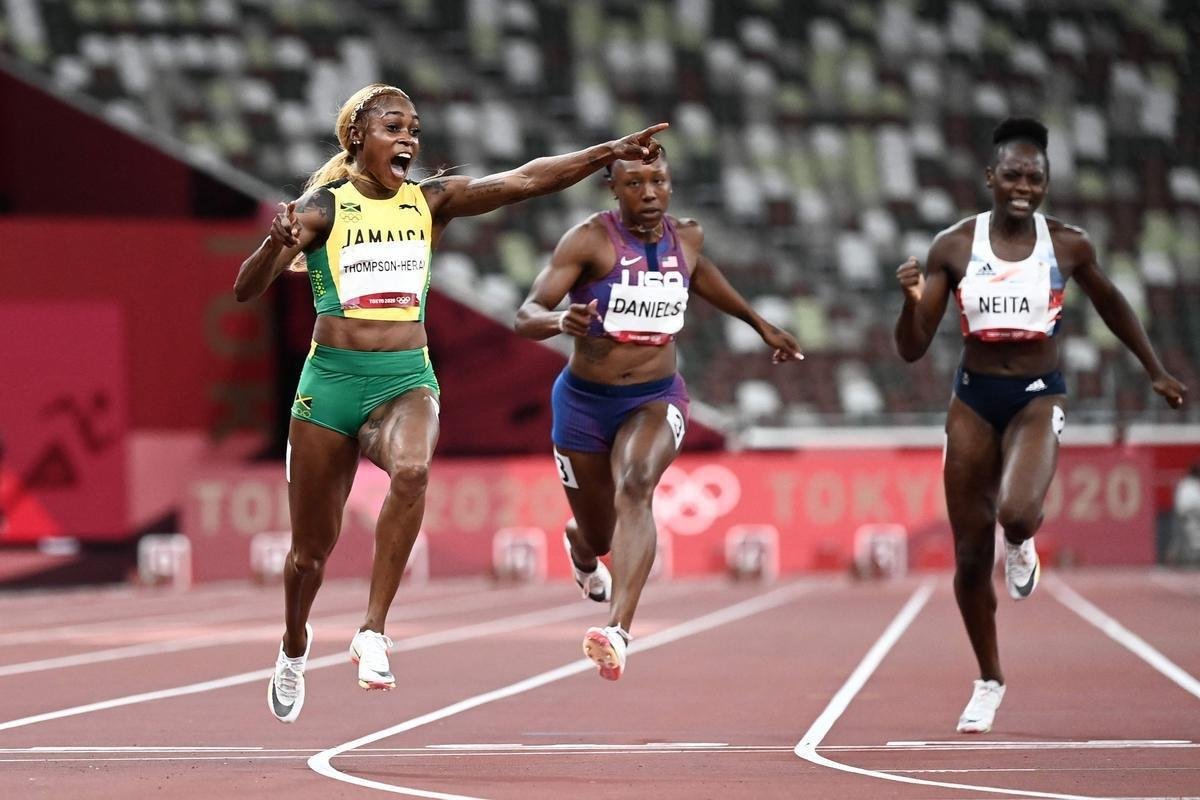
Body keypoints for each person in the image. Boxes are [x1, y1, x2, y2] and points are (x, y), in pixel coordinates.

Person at [234, 83, 668, 723]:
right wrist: (276, 242)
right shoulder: (323, 208)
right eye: (392, 126)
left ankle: (373, 632)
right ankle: (294, 645)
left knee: (412, 470)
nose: (408, 137)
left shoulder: (430, 202)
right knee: (308, 555)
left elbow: (523, 180)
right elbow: (247, 289)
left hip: (405, 378)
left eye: (413, 127)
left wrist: (607, 153)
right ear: (357, 137)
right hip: (329, 384)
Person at [893, 117, 1187, 734]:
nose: (1023, 185)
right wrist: (911, 300)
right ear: (990, 178)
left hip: (1036, 397)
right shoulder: (954, 246)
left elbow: (1111, 301)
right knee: (971, 559)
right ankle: (989, 679)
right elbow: (914, 349)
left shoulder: (1068, 245)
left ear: (1046, 181)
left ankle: (1022, 543)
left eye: (1035, 176)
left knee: (1017, 513)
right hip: (973, 400)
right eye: (1012, 175)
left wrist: (1154, 369)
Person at [514, 152, 802, 680]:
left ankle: (618, 630)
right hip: (582, 404)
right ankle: (581, 547)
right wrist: (560, 319)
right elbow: (525, 314)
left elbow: (704, 276)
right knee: (601, 535)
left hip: (655, 396)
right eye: (634, 183)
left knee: (637, 483)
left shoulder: (686, 238)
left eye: (658, 182)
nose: (648, 193)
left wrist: (763, 326)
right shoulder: (588, 241)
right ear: (613, 189)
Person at [1169, 462, 1200, 565]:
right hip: (1187, 516)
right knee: (1183, 540)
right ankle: (1175, 559)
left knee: (1187, 540)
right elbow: (1185, 505)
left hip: (1190, 515)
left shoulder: (1191, 484)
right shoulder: (1187, 484)